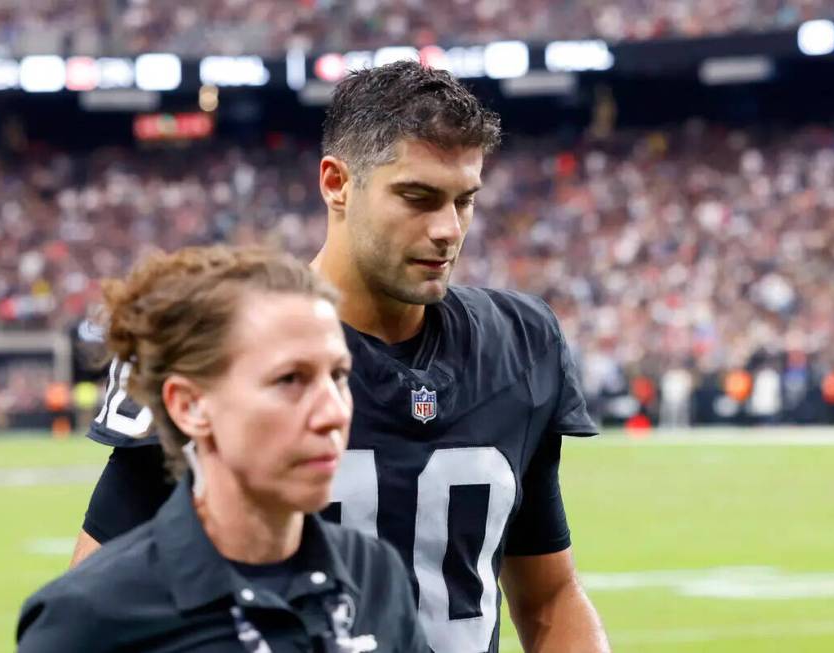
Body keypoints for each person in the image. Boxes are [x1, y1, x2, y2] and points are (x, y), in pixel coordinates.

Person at [74, 61, 610, 653]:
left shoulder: (520, 341)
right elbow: (97, 605)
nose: (447, 230)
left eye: (464, 201)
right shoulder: (223, 344)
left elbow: (548, 595)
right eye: (417, 197)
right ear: (336, 183)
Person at [18, 246, 429, 652]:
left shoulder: (376, 576)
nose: (333, 413)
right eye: (289, 379)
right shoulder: (89, 619)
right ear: (190, 406)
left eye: (338, 375)